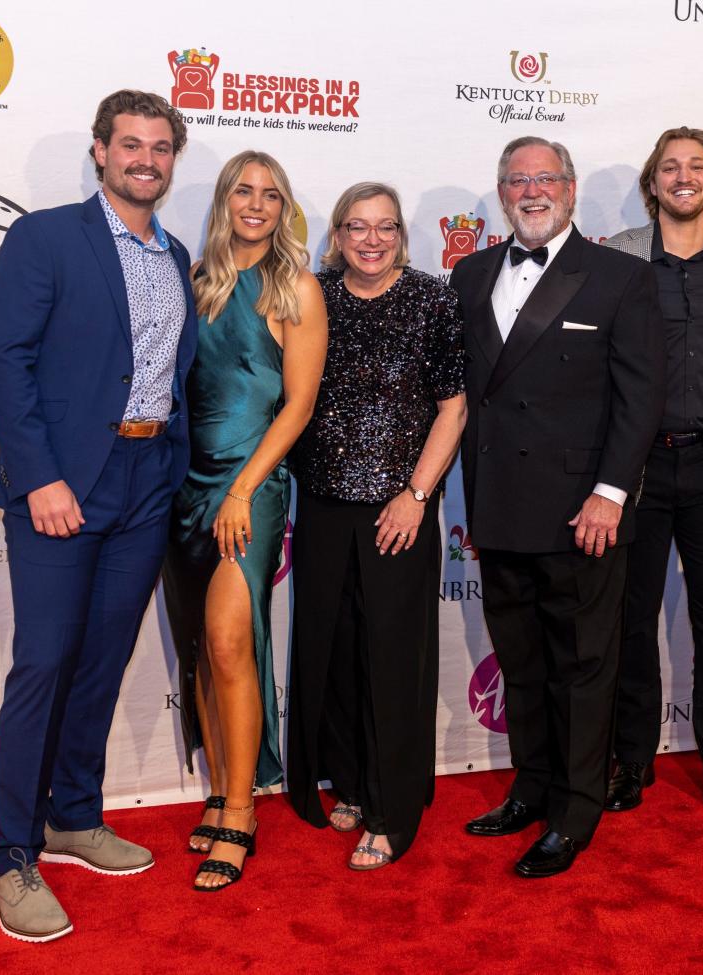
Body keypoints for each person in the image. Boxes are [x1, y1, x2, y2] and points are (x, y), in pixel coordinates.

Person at [0, 90, 197, 941]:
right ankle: (10, 856)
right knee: (44, 664)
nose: (147, 158)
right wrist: (39, 476)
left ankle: (73, 813)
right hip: (64, 482)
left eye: (161, 146)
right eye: (131, 144)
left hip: (147, 480)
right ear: (101, 153)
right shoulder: (45, 237)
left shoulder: (174, 253)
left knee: (103, 661)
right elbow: (6, 360)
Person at [451, 136, 664, 878]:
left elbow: (641, 401)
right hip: (501, 511)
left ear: (571, 190)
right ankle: (532, 787)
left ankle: (575, 811)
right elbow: (471, 401)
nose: (531, 190)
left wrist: (610, 494)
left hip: (583, 514)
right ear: (502, 192)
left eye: (545, 178)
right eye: (517, 180)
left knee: (582, 667)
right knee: (524, 662)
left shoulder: (620, 278)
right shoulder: (470, 273)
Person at [286, 182, 466, 870]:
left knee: (394, 659)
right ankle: (353, 783)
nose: (371, 239)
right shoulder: (314, 295)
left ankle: (392, 810)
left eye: (385, 227)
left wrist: (416, 495)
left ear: (400, 236)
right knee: (333, 651)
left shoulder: (431, 298)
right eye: (357, 227)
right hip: (325, 503)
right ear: (336, 235)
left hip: (401, 507)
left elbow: (453, 407)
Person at [162, 151, 327, 891]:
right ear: (225, 201)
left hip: (250, 486)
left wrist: (242, 488)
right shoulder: (193, 285)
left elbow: (298, 405)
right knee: (201, 646)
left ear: (283, 207)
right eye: (243, 191)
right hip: (182, 489)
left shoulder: (295, 287)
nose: (255, 205)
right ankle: (219, 784)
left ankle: (241, 807)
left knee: (232, 638)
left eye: (271, 194)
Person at [601, 126, 703, 837]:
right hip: (634, 472)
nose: (683, 176)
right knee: (629, 622)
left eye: (696, 166)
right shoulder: (613, 259)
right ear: (653, 182)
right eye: (670, 166)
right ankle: (630, 759)